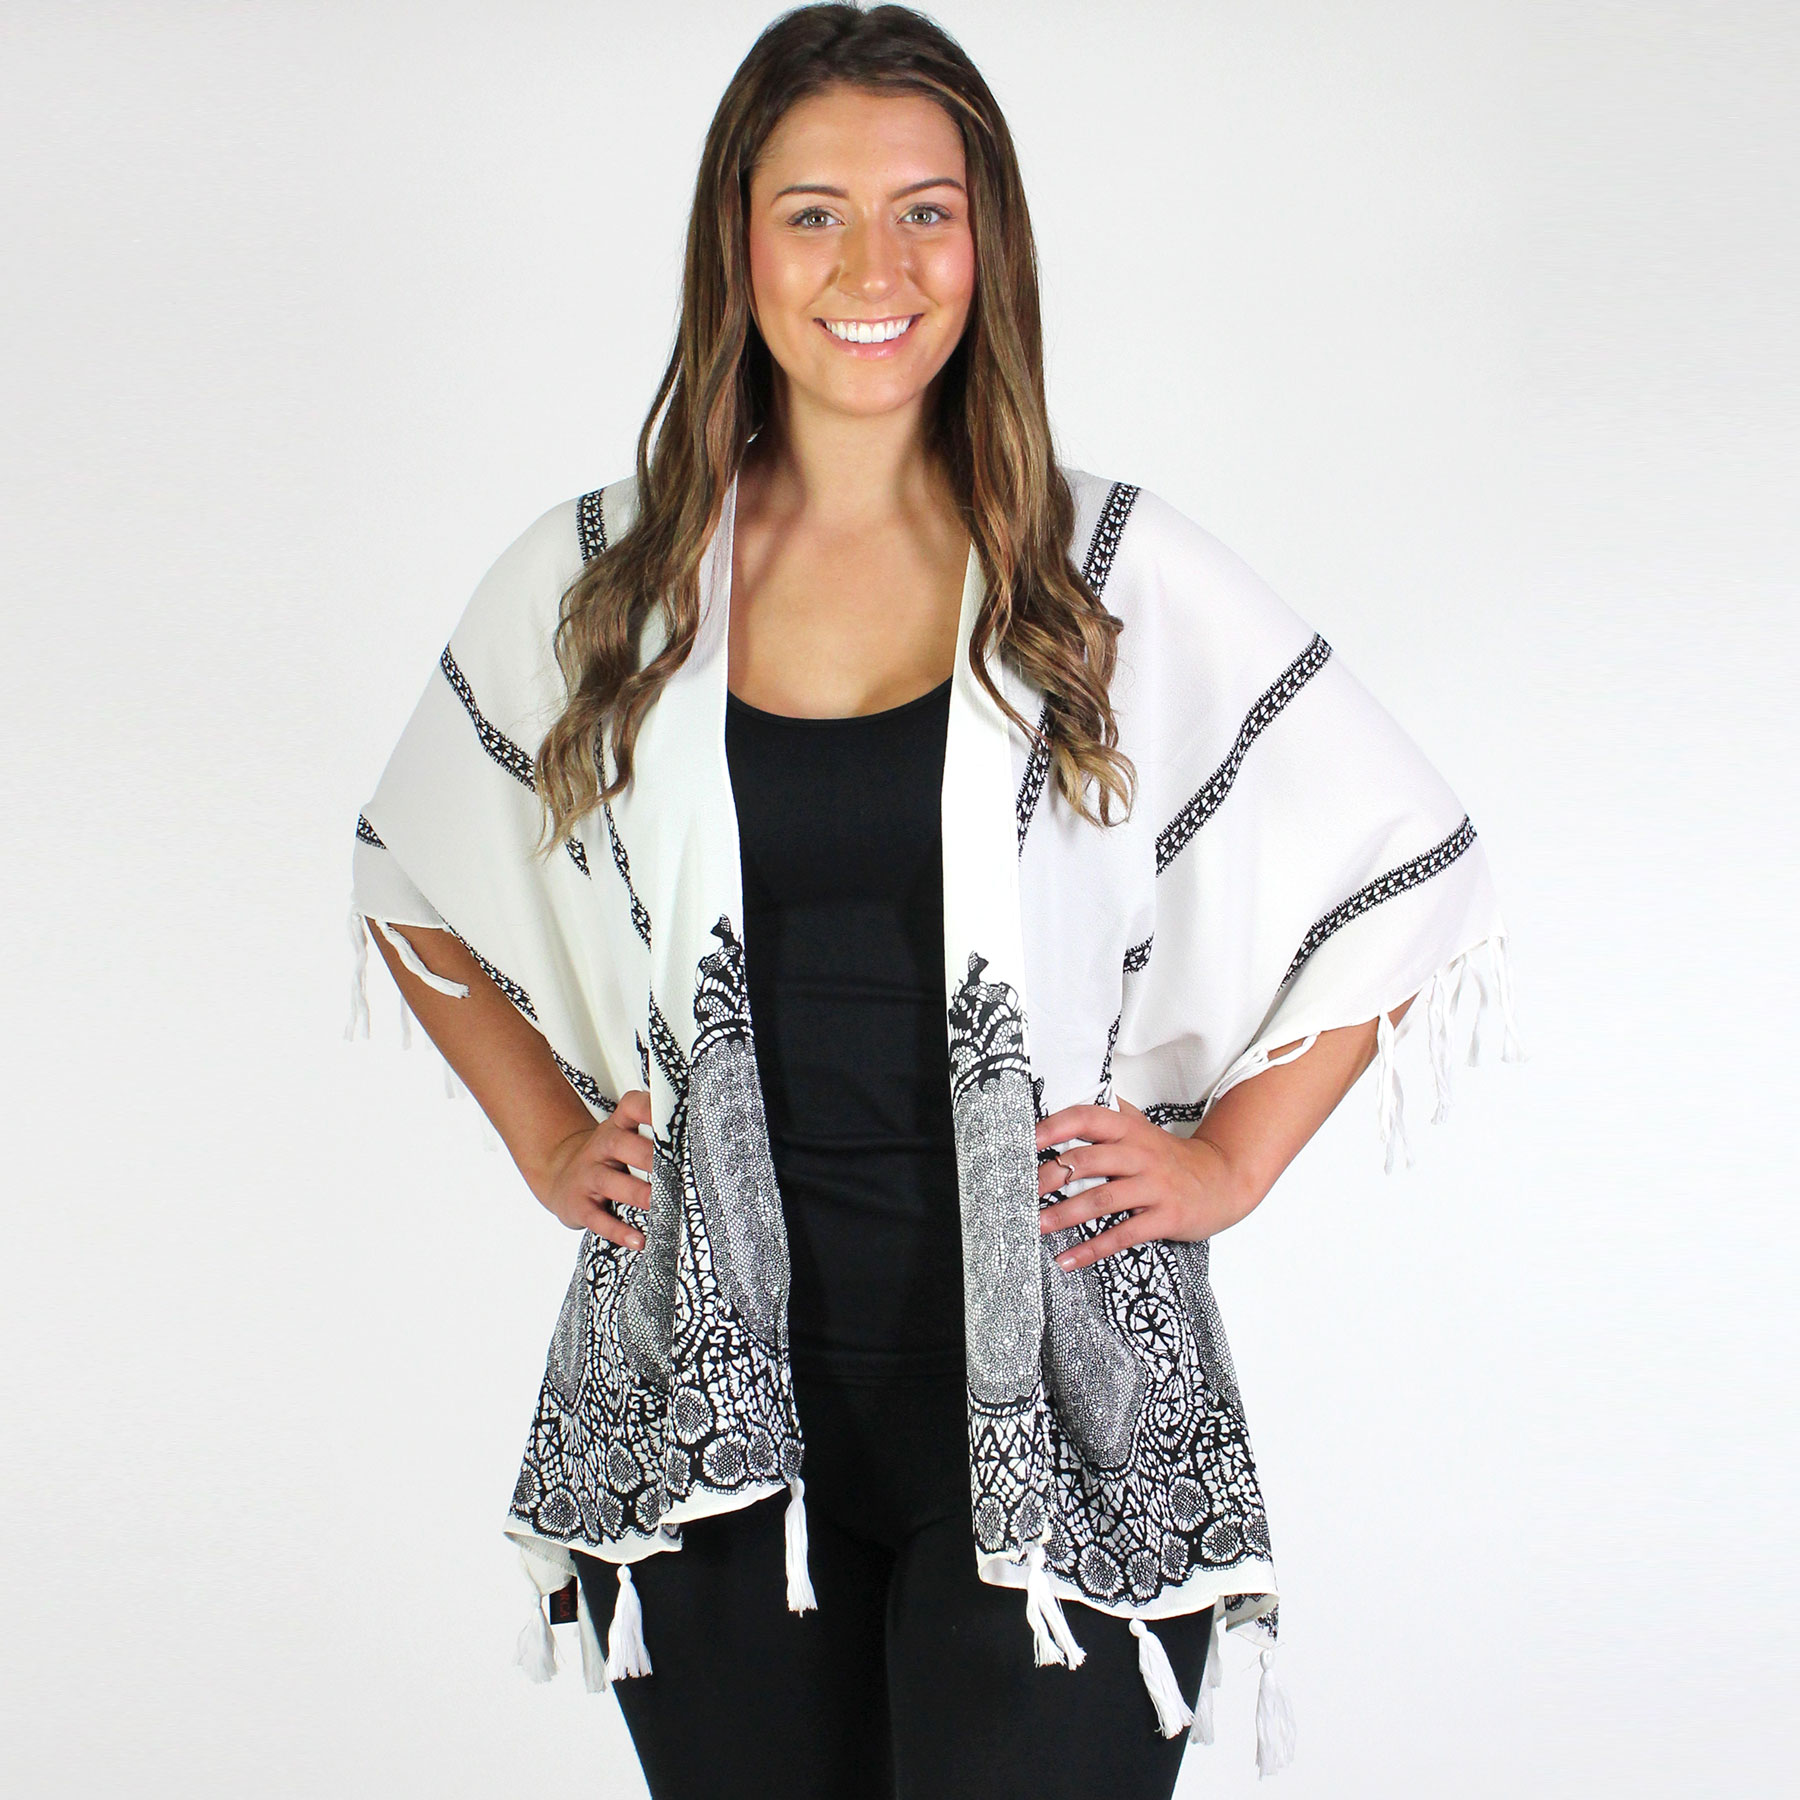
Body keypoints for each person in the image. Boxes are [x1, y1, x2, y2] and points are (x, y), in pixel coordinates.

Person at [345, 7, 1518, 1797]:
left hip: (1064, 1400)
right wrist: (545, 1136)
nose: (872, 269)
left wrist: (1230, 1161)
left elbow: (1401, 862)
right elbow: (415, 863)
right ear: (737, 243)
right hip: (716, 1410)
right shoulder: (607, 579)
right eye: (812, 213)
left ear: (990, 243)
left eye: (925, 213)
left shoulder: (1097, 570)